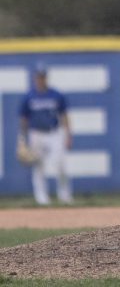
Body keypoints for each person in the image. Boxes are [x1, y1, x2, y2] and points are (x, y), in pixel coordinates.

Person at [19, 63, 73, 205]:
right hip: (36, 134)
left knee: (60, 164)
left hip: (54, 133)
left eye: (43, 76)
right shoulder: (29, 96)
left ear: (46, 77)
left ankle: (65, 196)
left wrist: (68, 135)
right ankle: (42, 198)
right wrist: (22, 139)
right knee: (39, 167)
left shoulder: (56, 95)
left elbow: (64, 116)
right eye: (39, 76)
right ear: (35, 77)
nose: (41, 79)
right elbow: (24, 119)